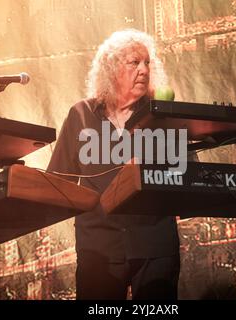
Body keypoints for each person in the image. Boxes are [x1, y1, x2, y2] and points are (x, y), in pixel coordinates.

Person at [47, 29, 180, 300]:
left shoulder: (164, 115)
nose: (143, 70)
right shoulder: (81, 115)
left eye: (147, 63)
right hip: (98, 246)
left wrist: (150, 171)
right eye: (134, 62)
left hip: (154, 243)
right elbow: (59, 180)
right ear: (111, 67)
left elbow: (185, 173)